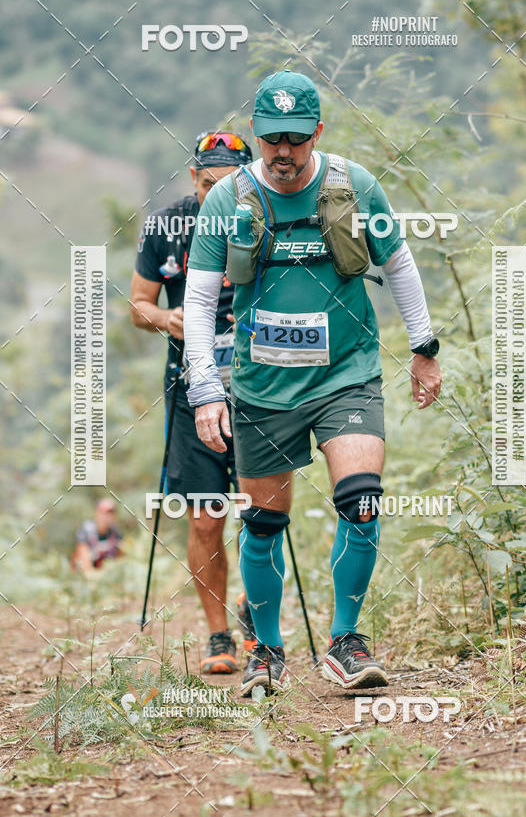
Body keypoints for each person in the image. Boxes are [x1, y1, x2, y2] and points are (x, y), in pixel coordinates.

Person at [183, 70, 442, 696]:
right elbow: (196, 300)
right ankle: (266, 652)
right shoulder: (228, 201)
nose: (283, 152)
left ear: (317, 132)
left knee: (362, 499)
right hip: (263, 387)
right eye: (271, 139)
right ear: (256, 135)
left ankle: (346, 642)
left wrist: (424, 348)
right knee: (265, 524)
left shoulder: (354, 188)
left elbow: (399, 266)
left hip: (345, 375)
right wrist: (205, 390)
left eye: (296, 139)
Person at [130, 132, 257, 674]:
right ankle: (219, 636)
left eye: (230, 184)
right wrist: (167, 318)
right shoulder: (166, 225)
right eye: (209, 184)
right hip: (191, 388)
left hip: (260, 385)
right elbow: (139, 304)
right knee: (206, 518)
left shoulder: (264, 219)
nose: (219, 193)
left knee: (262, 513)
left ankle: (259, 620)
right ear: (193, 179)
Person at [72, 498, 122, 573]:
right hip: (86, 572)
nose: (107, 517)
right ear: (97, 513)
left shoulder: (115, 532)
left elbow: (120, 560)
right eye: (104, 513)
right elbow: (85, 564)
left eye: (111, 514)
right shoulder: (86, 530)